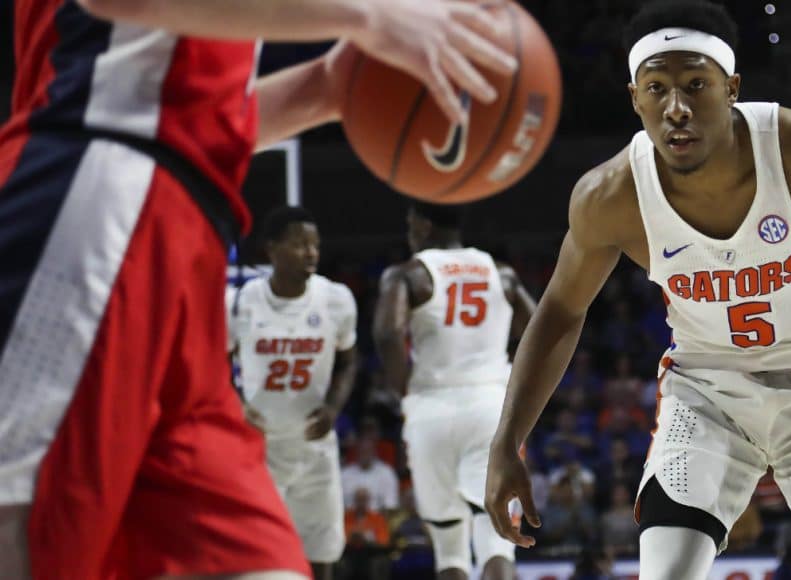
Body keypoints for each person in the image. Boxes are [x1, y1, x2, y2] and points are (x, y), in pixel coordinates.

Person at [0, 0, 516, 578]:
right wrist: (367, 15)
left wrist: (329, 86)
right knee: (29, 536)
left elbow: (191, 115)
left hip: (183, 232)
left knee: (264, 565)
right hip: (98, 201)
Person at [484, 2, 791, 579]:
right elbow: (560, 312)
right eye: (657, 88)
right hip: (708, 391)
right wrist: (507, 442)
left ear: (732, 88)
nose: (676, 108)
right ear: (635, 98)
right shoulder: (610, 195)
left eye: (696, 84)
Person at [374, 201, 537, 580]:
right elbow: (541, 330)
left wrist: (404, 388)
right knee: (497, 542)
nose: (409, 231)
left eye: (411, 223)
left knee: (449, 550)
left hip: (430, 410)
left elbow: (386, 333)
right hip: (490, 409)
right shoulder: (503, 274)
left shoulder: (408, 274)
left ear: (424, 224)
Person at [228, 206, 358, 580]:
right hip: (260, 447)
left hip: (313, 445)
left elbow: (349, 361)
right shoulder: (240, 303)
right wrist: (237, 402)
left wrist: (333, 407)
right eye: (300, 244)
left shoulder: (336, 300)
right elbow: (212, 364)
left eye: (315, 244)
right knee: (259, 556)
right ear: (272, 250)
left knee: (321, 555)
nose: (311, 253)